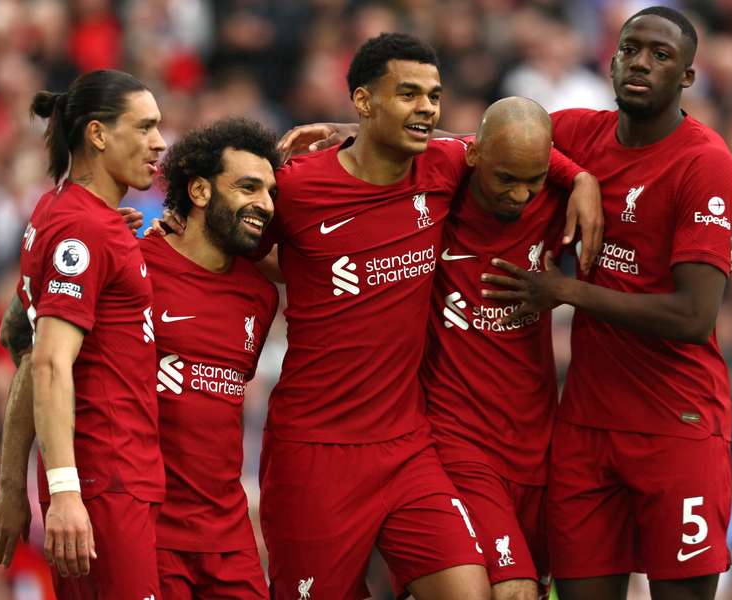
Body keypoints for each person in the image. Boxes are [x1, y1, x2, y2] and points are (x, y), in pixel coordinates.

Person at [251, 33, 599, 600]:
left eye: (433, 95)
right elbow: (236, 248)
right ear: (364, 101)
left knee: (473, 591)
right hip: (315, 446)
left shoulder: (441, 166)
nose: (427, 107)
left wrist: (579, 178)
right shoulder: (299, 186)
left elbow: (496, 144)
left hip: (407, 443)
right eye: (409, 93)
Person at [482, 7, 732, 600]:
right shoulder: (578, 133)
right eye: (630, 50)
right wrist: (355, 140)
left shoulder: (704, 162)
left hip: (676, 424)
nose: (641, 63)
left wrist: (566, 292)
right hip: (586, 430)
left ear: (688, 77)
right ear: (612, 58)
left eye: (660, 55)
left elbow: (693, 317)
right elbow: (481, 144)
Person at [0, 69, 168, 598]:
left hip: (105, 479)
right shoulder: (81, 228)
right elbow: (47, 363)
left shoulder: (65, 213)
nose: (159, 143)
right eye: (145, 127)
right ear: (98, 135)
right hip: (106, 477)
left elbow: (25, 350)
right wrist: (64, 492)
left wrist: (15, 482)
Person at [421, 96, 567, 600]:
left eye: (534, 179)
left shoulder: (557, 202)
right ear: (476, 155)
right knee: (513, 588)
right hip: (459, 438)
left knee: (541, 586)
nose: (521, 194)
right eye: (507, 179)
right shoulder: (438, 199)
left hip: (538, 442)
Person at [144, 118, 279, 600]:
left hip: (228, 533)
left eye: (269, 191)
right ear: (199, 190)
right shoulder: (134, 267)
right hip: (151, 531)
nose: (263, 203)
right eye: (248, 187)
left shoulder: (260, 297)